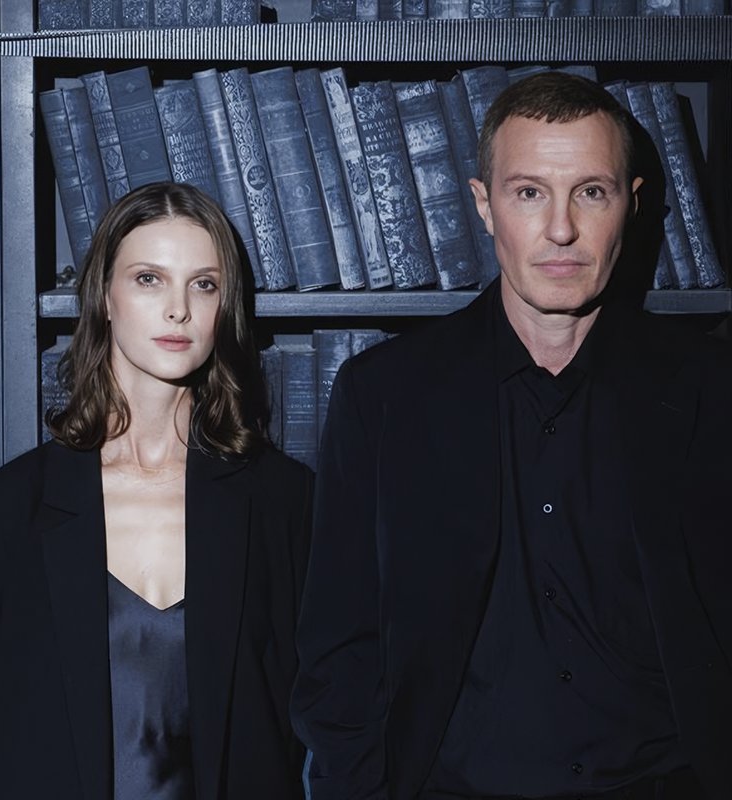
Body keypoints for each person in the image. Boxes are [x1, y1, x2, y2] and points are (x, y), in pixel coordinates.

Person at [292, 71, 732, 800]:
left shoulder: (711, 391)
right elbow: (338, 649)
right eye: (529, 192)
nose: (561, 229)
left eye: (591, 192)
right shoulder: (384, 395)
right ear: (483, 205)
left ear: (632, 204)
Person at [0, 181, 312, 800]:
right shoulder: (10, 508)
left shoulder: (284, 502)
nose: (178, 309)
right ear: (104, 296)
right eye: (149, 279)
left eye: (203, 284)